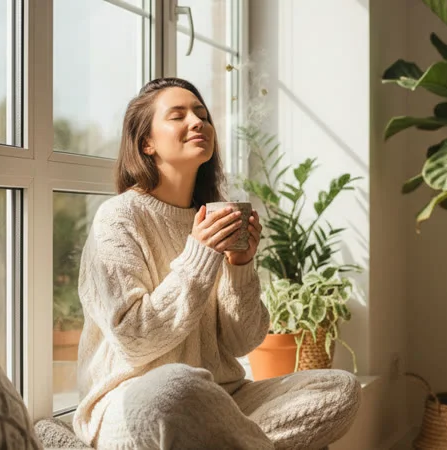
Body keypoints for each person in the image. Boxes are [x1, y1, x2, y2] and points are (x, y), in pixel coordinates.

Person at [73, 77, 361, 449]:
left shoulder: (212, 216)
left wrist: (241, 267)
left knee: (340, 388)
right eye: (178, 116)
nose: (197, 122)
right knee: (176, 386)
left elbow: (243, 342)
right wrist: (200, 254)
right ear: (146, 143)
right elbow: (134, 339)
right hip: (133, 401)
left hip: (223, 396)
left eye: (202, 114)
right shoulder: (118, 217)